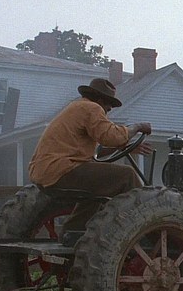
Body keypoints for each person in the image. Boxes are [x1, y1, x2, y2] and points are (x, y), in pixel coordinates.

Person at [28, 77, 152, 237]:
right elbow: (112, 136)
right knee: (127, 175)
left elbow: (96, 152)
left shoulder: (76, 108)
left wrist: (125, 147)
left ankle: (73, 232)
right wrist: (137, 127)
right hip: (62, 169)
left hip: (47, 172)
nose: (109, 110)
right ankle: (148, 230)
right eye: (109, 105)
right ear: (100, 100)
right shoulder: (91, 108)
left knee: (97, 190)